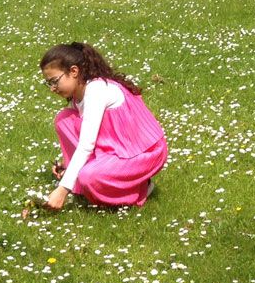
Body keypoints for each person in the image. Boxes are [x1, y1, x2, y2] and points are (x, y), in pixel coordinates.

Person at [27, 42, 167, 214]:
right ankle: (81, 178)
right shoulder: (77, 95)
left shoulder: (96, 90)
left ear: (74, 71)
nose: (52, 89)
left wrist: (62, 190)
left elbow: (86, 144)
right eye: (48, 84)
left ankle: (140, 188)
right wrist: (67, 165)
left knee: (89, 177)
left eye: (54, 81)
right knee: (64, 120)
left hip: (142, 153)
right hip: (117, 149)